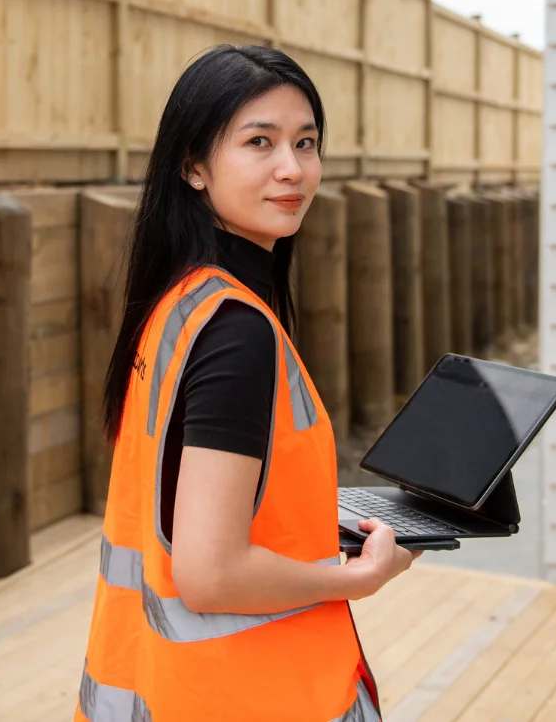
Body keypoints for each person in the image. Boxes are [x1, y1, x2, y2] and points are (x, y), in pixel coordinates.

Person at [74, 45, 414, 721]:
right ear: (193, 166)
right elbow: (210, 574)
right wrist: (357, 575)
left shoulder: (180, 302)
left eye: (306, 142)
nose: (293, 168)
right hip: (252, 696)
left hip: (164, 687)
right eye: (260, 142)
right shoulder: (236, 330)